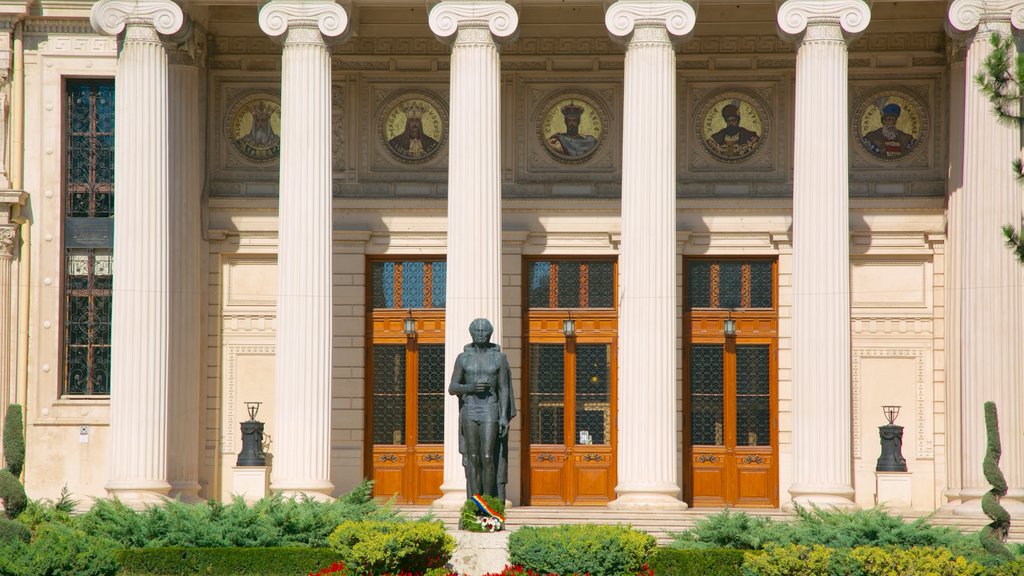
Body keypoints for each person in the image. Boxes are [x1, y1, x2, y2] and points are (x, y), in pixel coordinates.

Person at [449, 318, 516, 499]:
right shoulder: (463, 358)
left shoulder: (499, 358)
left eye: (484, 331)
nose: (481, 334)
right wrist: (471, 387)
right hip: (470, 410)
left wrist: (503, 417)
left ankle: (487, 502)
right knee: (473, 458)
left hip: (490, 409)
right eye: (477, 331)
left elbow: (503, 388)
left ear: (489, 334)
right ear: (472, 333)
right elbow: (452, 388)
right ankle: (475, 502)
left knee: (487, 456)